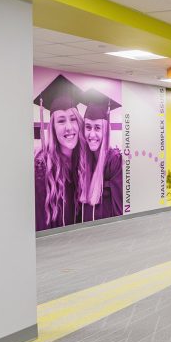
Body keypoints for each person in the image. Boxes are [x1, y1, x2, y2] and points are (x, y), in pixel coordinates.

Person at [34, 75, 88, 231]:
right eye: (61, 120)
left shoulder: (83, 163)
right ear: (52, 127)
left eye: (73, 119)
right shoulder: (42, 168)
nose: (69, 127)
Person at [79, 89, 123, 222]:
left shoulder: (114, 161)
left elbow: (119, 210)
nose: (92, 135)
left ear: (106, 130)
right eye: (88, 127)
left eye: (97, 128)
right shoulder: (83, 161)